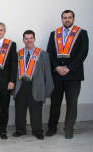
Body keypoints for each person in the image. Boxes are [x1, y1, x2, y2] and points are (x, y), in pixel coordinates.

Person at [46, 10, 89, 139]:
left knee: (72, 103)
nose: (67, 20)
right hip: (57, 74)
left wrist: (69, 67)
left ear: (73, 18)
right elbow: (50, 53)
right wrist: (57, 67)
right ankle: (51, 128)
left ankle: (69, 129)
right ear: (61, 19)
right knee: (55, 103)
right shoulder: (54, 34)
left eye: (69, 17)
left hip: (73, 75)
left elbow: (83, 53)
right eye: (65, 18)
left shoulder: (82, 33)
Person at [12, 30, 54, 140]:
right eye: (26, 38)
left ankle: (37, 131)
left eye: (31, 38)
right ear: (23, 40)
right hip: (21, 86)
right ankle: (20, 130)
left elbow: (48, 74)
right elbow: (14, 72)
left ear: (34, 39)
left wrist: (47, 90)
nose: (28, 40)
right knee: (20, 110)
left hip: (36, 86)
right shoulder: (19, 53)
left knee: (36, 110)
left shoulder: (43, 54)